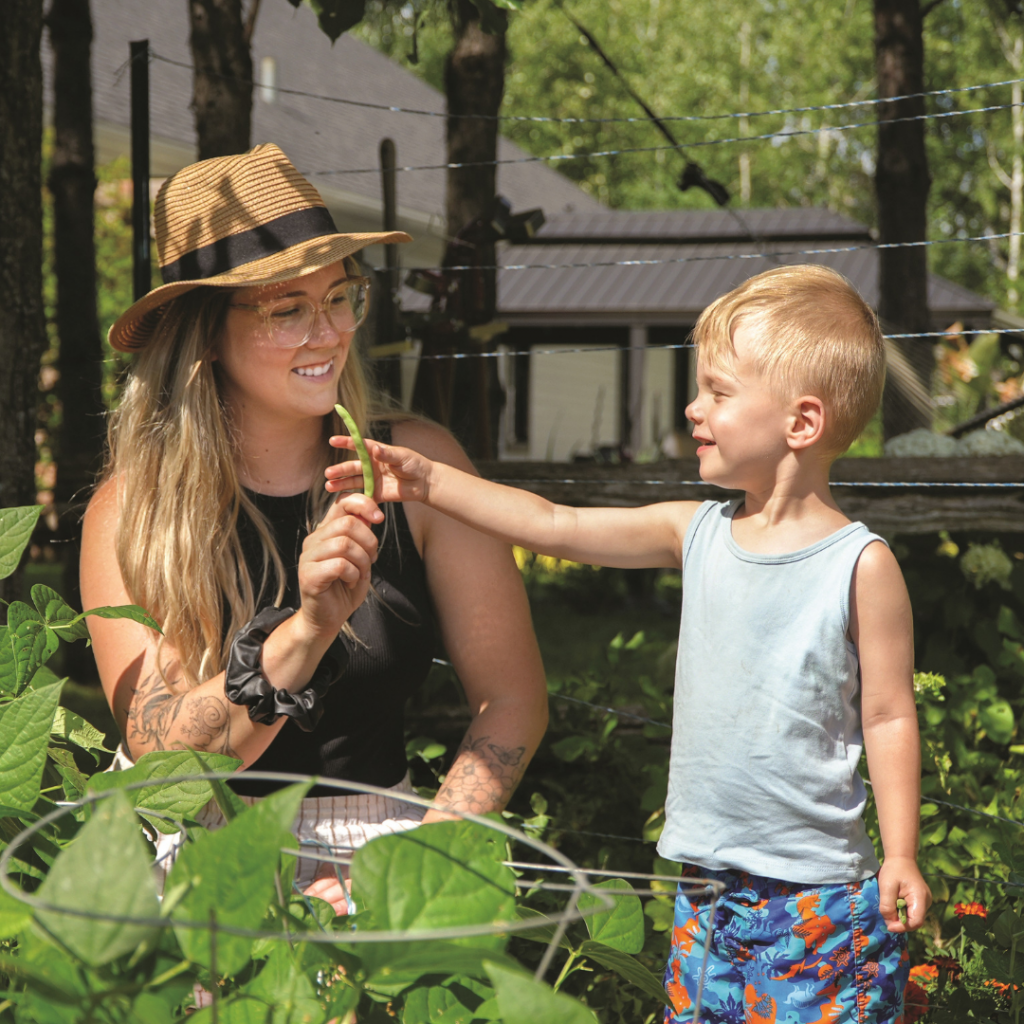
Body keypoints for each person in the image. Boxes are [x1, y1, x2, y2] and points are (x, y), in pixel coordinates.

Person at [327, 264, 931, 1024]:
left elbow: (887, 716)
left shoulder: (859, 566)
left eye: (719, 392)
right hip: (704, 886)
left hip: (815, 896)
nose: (693, 408)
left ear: (801, 424)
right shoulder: (696, 532)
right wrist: (430, 483)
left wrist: (900, 851)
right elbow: (555, 524)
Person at [80, 144, 548, 916]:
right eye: (286, 309)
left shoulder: (417, 471)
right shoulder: (133, 511)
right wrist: (307, 632)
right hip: (198, 861)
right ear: (201, 334)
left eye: (340, 297)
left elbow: (514, 699)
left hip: (388, 850)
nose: (328, 332)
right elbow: (164, 764)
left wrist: (420, 860)